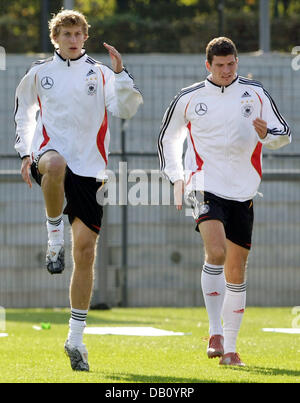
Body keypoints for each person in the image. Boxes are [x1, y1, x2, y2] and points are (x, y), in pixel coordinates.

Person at [14, 9, 143, 371]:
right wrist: (26, 152)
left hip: (90, 168)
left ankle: (75, 339)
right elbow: (24, 112)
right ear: (55, 38)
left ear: (85, 37)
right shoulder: (39, 73)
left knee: (85, 253)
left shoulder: (101, 74)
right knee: (54, 164)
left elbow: (125, 109)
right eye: (66, 34)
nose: (73, 40)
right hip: (50, 156)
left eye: (78, 34)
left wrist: (119, 75)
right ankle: (53, 235)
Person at [158, 37, 291, 366]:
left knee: (236, 268)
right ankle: (215, 330)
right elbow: (168, 136)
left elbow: (283, 132)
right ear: (208, 65)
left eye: (231, 64)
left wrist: (267, 135)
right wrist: (176, 177)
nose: (227, 71)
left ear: (236, 62)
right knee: (216, 251)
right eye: (220, 66)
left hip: (243, 190)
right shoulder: (190, 98)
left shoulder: (255, 92)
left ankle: (230, 350)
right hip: (203, 182)